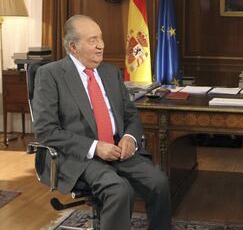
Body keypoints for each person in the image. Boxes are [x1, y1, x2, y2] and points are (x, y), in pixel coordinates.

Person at [32, 14, 171, 230]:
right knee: (119, 189)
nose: (101, 46)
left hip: (118, 149)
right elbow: (46, 131)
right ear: (73, 47)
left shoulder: (110, 72)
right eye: (92, 40)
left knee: (159, 182)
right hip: (80, 157)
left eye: (101, 38)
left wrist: (129, 137)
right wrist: (95, 147)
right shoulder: (50, 75)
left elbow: (131, 114)